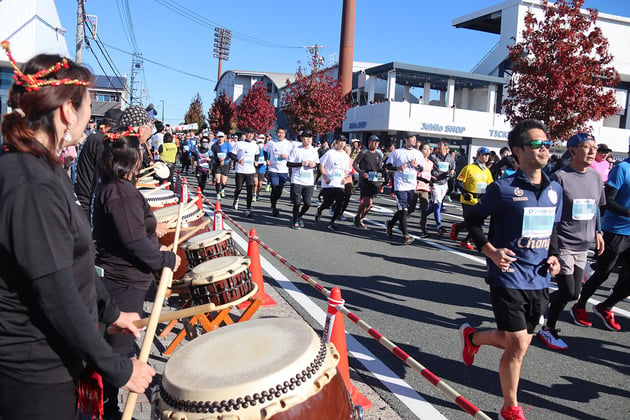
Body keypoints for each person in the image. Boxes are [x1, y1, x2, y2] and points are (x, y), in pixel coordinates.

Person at [0, 41, 154, 420]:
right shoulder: (29, 182)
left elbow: (76, 262)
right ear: (67, 110)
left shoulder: (44, 169)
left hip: (52, 359)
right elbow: (56, 292)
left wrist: (110, 310)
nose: (90, 116)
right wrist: (118, 368)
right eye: (87, 105)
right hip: (33, 370)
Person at [460, 119, 562, 420]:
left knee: (516, 343)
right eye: (536, 144)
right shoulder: (502, 189)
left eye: (546, 143)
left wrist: (554, 255)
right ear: (517, 151)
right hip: (508, 274)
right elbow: (473, 219)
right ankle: (510, 407)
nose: (544, 149)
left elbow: (552, 229)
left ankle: (472, 338)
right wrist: (490, 251)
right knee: (516, 343)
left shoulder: (554, 189)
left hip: (540, 276)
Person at [92, 132, 180, 417]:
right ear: (133, 160)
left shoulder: (114, 188)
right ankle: (107, 408)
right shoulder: (119, 191)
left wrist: (153, 229)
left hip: (123, 280)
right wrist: (164, 258)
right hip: (122, 282)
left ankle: (108, 403)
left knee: (118, 346)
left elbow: (129, 232)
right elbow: (131, 242)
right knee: (116, 350)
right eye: (141, 153)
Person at [535, 133, 605, 350]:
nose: (592, 151)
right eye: (586, 147)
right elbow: (549, 213)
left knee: (574, 292)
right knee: (568, 291)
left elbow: (596, 208)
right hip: (564, 242)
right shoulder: (560, 177)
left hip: (584, 244)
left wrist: (598, 232)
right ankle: (547, 329)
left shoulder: (595, 177)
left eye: (594, 147)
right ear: (572, 151)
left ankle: (540, 303)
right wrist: (551, 246)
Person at [572, 140, 630, 331]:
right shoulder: (622, 168)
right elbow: (606, 202)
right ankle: (579, 306)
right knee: (603, 273)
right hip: (616, 230)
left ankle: (605, 306)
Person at [75, 107, 123, 219]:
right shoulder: (100, 140)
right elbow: (102, 175)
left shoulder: (94, 136)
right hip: (88, 200)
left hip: (84, 196)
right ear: (113, 125)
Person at [385, 132, 425, 245]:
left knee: (405, 210)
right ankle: (406, 235)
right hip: (400, 185)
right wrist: (398, 168)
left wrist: (417, 165)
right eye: (411, 138)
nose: (414, 140)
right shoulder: (397, 152)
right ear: (406, 140)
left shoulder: (418, 154)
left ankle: (390, 224)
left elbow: (421, 169)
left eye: (415, 138)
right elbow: (387, 166)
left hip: (412, 185)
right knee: (404, 210)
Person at [450, 147, 494, 250]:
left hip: (480, 199)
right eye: (484, 154)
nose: (486, 157)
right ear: (478, 155)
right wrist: (464, 192)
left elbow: (490, 185)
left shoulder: (487, 170)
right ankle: (466, 240)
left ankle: (458, 228)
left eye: (488, 155)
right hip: (468, 199)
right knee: (473, 222)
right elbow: (459, 181)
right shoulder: (469, 168)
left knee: (477, 222)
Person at [315, 136, 351, 231]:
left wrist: (345, 177)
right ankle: (320, 209)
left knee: (339, 204)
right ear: (336, 142)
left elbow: (346, 170)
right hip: (329, 183)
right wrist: (325, 176)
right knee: (328, 203)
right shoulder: (330, 153)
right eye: (340, 141)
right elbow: (321, 165)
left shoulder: (346, 156)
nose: (342, 143)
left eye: (344, 142)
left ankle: (332, 222)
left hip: (339, 183)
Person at [287, 129, 320, 229]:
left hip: (309, 181)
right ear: (302, 138)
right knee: (297, 202)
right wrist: (301, 164)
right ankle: (295, 220)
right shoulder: (296, 149)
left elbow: (318, 163)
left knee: (308, 203)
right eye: (306, 137)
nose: (308, 139)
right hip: (297, 179)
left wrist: (314, 164)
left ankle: (300, 215)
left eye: (310, 137)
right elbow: (288, 163)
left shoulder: (314, 151)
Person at [353, 135, 383, 229]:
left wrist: (384, 171)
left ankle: (361, 219)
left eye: (377, 143)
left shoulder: (378, 155)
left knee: (369, 204)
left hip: (374, 180)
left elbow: (380, 168)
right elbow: (355, 164)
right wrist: (362, 173)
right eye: (374, 142)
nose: (376, 144)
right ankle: (357, 216)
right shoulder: (364, 152)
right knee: (365, 200)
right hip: (364, 180)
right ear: (369, 142)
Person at [229, 127, 260, 217]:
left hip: (250, 171)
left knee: (249, 190)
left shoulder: (255, 145)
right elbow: (231, 154)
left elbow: (257, 154)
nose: (250, 135)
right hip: (240, 170)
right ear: (245, 134)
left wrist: (256, 161)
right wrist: (238, 160)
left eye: (252, 133)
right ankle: (236, 198)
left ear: (253, 135)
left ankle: (248, 208)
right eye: (248, 133)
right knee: (238, 188)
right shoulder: (239, 144)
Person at [428, 138, 456, 234]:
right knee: (438, 203)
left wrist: (452, 172)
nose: (438, 146)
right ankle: (439, 226)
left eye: (440, 145)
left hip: (444, 183)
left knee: (436, 204)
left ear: (446, 147)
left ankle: (424, 215)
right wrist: (431, 175)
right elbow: (427, 167)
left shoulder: (451, 158)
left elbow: (452, 169)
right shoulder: (433, 157)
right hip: (435, 183)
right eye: (438, 144)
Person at [264, 127, 293, 216]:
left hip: (283, 170)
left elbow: (292, 156)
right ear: (276, 133)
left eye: (282, 133)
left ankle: (274, 201)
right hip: (273, 169)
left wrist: (286, 157)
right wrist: (267, 159)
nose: (280, 134)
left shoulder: (288, 144)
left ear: (285, 134)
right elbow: (265, 151)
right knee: (274, 186)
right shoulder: (271, 143)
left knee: (279, 191)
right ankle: (274, 207)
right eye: (279, 133)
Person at [412, 142, 434, 238]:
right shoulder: (416, 161)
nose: (427, 151)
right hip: (415, 187)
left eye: (428, 149)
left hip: (425, 188)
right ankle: (399, 221)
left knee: (424, 210)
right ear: (420, 150)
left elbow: (429, 174)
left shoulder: (431, 163)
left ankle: (424, 229)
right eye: (425, 149)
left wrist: (433, 179)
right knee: (411, 208)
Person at [211, 131, 232, 200]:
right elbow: (213, 155)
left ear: (224, 138)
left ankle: (222, 189)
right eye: (219, 137)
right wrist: (218, 160)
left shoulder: (228, 145)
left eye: (221, 137)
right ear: (216, 137)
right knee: (217, 179)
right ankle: (217, 193)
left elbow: (230, 155)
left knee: (223, 181)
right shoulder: (214, 146)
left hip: (225, 164)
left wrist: (223, 160)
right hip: (217, 164)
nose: (220, 138)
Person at [254, 134, 267, 201]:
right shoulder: (254, 149)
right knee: (255, 183)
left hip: (262, 168)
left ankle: (257, 194)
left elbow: (268, 157)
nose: (260, 144)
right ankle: (254, 194)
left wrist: (266, 161)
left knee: (260, 184)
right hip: (255, 167)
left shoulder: (265, 149)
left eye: (261, 142)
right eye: (258, 142)